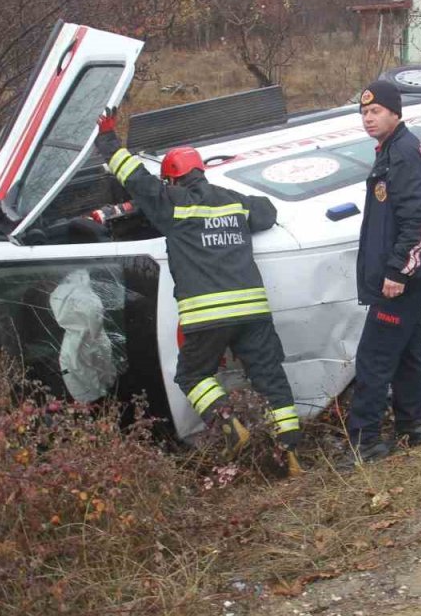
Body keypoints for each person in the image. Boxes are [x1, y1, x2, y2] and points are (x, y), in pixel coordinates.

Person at [94, 107, 303, 476]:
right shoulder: (233, 201)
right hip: (253, 312)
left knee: (192, 375)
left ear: (172, 181)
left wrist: (109, 141)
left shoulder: (172, 205)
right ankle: (290, 454)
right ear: (201, 171)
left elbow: (137, 180)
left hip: (207, 317)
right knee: (271, 378)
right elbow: (267, 212)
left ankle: (228, 425)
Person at [343, 80, 421, 468]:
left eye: (376, 112)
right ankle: (411, 427)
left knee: (373, 358)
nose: (369, 119)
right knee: (405, 356)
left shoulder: (401, 154)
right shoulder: (393, 150)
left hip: (402, 280)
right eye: (364, 113)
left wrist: (398, 271)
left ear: (395, 112)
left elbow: (420, 220)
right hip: (409, 277)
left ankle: (365, 441)